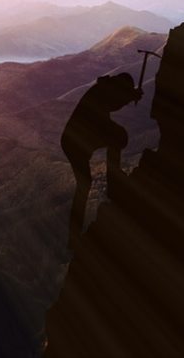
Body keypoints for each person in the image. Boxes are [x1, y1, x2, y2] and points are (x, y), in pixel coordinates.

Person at [61, 73, 142, 250]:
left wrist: (130, 95)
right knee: (85, 185)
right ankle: (73, 237)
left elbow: (112, 102)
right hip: (77, 142)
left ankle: (73, 237)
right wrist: (131, 96)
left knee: (118, 137)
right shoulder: (103, 93)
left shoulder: (103, 89)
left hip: (76, 140)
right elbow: (113, 102)